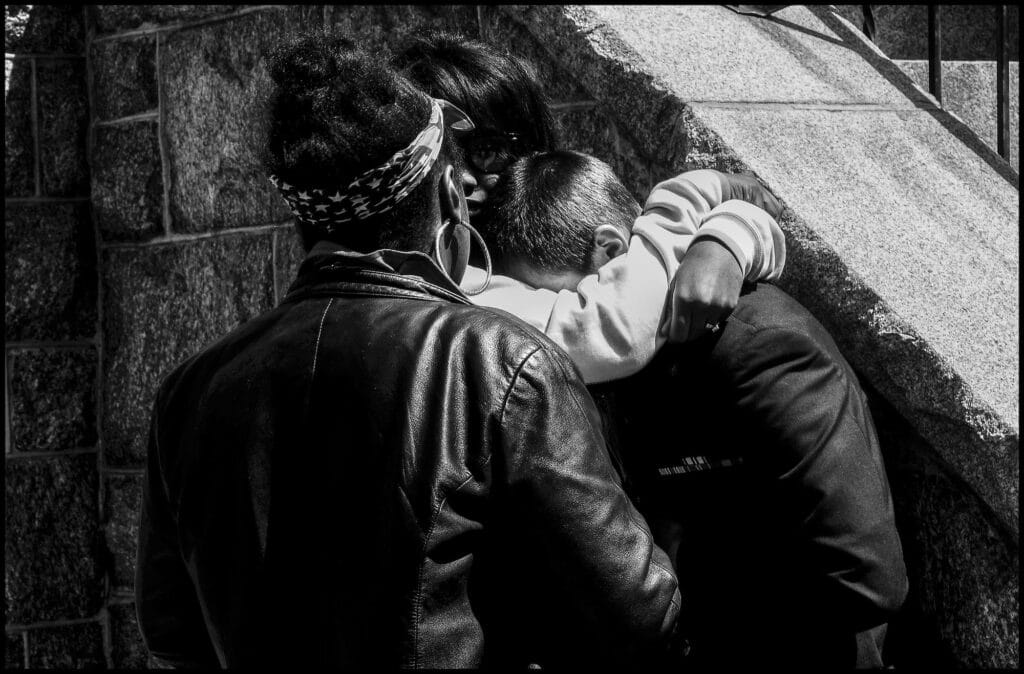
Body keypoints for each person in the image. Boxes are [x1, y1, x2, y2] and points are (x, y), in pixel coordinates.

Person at [135, 33, 681, 670]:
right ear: (449, 195)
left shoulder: (189, 393)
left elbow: (175, 638)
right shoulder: (504, 362)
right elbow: (638, 620)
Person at [397, 32, 908, 667]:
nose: (473, 183)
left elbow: (859, 577)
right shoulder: (460, 319)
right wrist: (727, 229)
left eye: (493, 150)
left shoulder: (744, 340)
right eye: (444, 156)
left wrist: (728, 234)